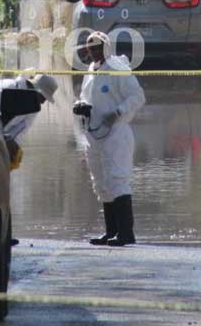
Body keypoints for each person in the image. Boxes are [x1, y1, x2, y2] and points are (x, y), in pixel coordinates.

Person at [73, 32, 145, 247]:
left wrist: (118, 112)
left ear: (107, 48)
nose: (94, 52)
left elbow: (137, 97)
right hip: (94, 134)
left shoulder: (118, 70)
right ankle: (111, 231)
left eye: (98, 48)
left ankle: (126, 233)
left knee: (117, 180)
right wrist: (80, 105)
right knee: (101, 183)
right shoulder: (91, 71)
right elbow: (87, 97)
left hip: (116, 134)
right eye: (91, 49)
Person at [0, 70, 58, 170]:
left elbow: (20, 132)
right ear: (35, 90)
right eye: (43, 98)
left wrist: (13, 149)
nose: (42, 103)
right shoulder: (7, 87)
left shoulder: (33, 107)